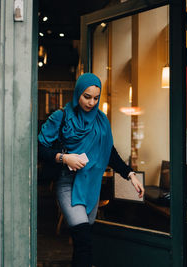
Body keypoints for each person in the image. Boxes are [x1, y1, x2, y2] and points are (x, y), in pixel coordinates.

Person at [38, 73, 145, 267]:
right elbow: (40, 148)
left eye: (96, 98)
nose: (92, 102)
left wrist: (130, 175)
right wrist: (64, 157)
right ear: (78, 93)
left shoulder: (101, 121)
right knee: (84, 240)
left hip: (91, 187)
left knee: (82, 243)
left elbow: (109, 152)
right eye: (87, 96)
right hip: (68, 185)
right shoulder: (61, 117)